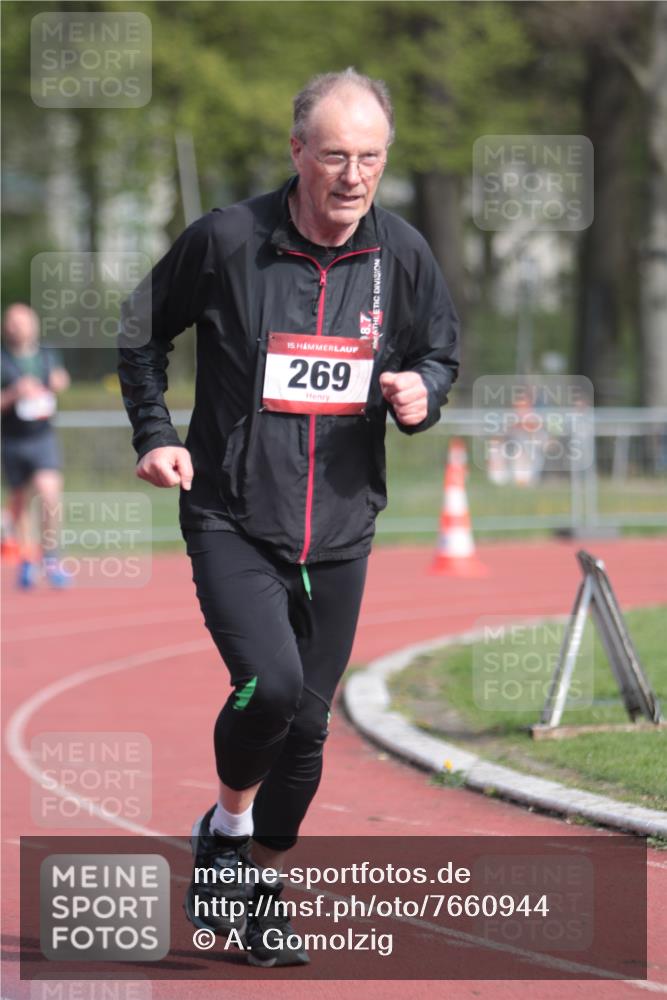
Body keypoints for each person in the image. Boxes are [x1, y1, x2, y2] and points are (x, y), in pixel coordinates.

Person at [118, 68, 459, 966]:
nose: (354, 176)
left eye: (372, 159)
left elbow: (440, 352)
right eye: (337, 155)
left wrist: (421, 390)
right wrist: (156, 435)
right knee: (268, 687)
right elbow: (139, 328)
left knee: (309, 726)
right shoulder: (229, 240)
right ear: (298, 152)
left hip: (342, 526)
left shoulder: (402, 254)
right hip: (232, 511)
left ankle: (259, 883)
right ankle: (225, 830)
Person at [1, 302, 71, 589]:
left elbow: (61, 380)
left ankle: (51, 557)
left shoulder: (47, 354)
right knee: (21, 501)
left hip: (42, 437)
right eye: (11, 322)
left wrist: (58, 381)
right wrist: (15, 393)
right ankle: (28, 560)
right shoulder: (2, 360)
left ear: (34, 325)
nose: (17, 327)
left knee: (49, 493)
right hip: (12, 439)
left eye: (22, 321)